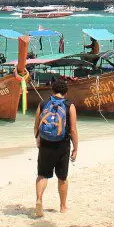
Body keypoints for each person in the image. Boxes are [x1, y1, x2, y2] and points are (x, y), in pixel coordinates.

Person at [34, 78, 78, 217]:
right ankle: (63, 206)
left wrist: (38, 139)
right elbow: (73, 130)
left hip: (46, 143)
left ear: (52, 90)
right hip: (62, 144)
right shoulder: (69, 105)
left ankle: (39, 199)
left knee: (42, 174)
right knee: (62, 177)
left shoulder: (43, 103)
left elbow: (36, 125)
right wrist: (75, 148)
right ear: (65, 92)